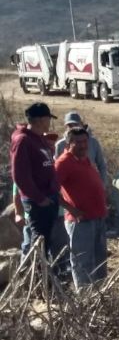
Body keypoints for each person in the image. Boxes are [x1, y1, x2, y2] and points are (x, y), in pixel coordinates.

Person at [54, 127, 109, 289]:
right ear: (68, 143)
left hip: (98, 217)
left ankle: (102, 296)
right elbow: (50, 191)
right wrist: (71, 209)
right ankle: (85, 300)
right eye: (78, 142)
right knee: (82, 262)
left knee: (100, 259)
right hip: (81, 221)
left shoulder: (84, 159)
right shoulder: (63, 162)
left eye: (85, 141)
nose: (83, 145)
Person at [11, 103, 60, 264]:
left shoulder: (39, 139)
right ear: (40, 119)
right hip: (38, 202)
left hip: (49, 198)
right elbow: (20, 176)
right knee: (38, 244)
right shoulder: (23, 140)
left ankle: (46, 279)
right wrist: (39, 198)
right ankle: (35, 281)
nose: (49, 122)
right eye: (48, 118)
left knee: (46, 244)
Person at [54, 111, 108, 184]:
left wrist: (102, 184)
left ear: (81, 124)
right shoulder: (60, 145)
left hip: (91, 183)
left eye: (76, 124)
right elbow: (57, 171)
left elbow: (102, 165)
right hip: (71, 187)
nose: (73, 127)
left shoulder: (93, 142)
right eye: (70, 125)